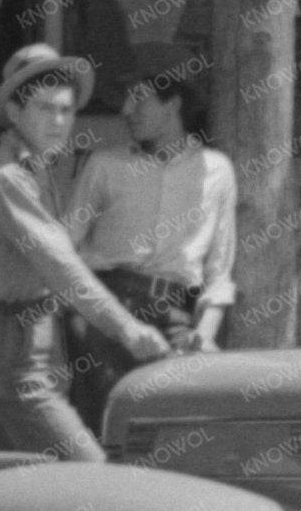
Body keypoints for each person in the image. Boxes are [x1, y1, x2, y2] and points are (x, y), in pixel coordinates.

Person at [0, 44, 172, 463]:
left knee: (23, 490)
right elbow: (60, 265)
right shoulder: (8, 178)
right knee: (89, 478)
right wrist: (125, 328)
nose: (59, 121)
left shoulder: (39, 173)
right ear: (15, 114)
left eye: (66, 110)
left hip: (31, 345)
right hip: (17, 354)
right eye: (44, 109)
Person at [71, 50, 238, 426]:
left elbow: (219, 269)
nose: (127, 109)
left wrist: (204, 334)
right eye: (126, 97)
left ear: (173, 103)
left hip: (175, 315)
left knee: (173, 429)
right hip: (106, 310)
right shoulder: (103, 165)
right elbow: (66, 249)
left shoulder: (216, 171)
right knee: (106, 426)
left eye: (139, 97)